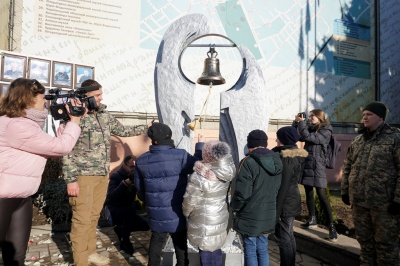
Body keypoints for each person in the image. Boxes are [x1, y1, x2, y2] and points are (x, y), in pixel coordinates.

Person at [62, 79, 149, 266]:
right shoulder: (74, 117)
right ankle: (80, 261)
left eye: (101, 94)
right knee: (81, 220)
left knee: (93, 217)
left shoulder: (104, 115)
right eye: (97, 95)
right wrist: (70, 179)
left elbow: (123, 130)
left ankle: (90, 253)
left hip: (102, 176)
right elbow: (66, 149)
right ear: (86, 96)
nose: (101, 98)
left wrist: (147, 128)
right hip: (82, 177)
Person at [0, 78, 82, 266]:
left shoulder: (25, 124)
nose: (46, 102)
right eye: (43, 98)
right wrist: (75, 121)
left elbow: (51, 149)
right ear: (30, 99)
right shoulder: (16, 125)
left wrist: (66, 122)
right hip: (3, 198)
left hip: (22, 197)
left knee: (15, 257)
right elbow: (61, 148)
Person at [134, 122, 204, 266]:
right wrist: (200, 146)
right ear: (169, 136)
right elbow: (198, 165)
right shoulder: (180, 156)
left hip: (155, 211)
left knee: (157, 240)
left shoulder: (141, 160)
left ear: (153, 140)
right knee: (180, 243)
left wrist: (150, 203)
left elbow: (139, 189)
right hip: (177, 210)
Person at [341, 101, 400, 265]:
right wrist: (345, 191)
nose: (364, 117)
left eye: (369, 114)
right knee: (365, 245)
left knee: (386, 247)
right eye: (363, 114)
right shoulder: (359, 140)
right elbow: (347, 166)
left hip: (384, 205)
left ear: (380, 118)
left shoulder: (395, 138)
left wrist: (398, 199)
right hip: (359, 202)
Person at [230, 129, 283, 266]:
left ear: (250, 144)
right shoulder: (277, 160)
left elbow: (242, 193)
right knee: (263, 247)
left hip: (250, 214)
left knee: (250, 249)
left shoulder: (247, 162)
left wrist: (234, 208)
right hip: (269, 212)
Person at [183, 140, 236, 266]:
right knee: (216, 247)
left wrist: (186, 212)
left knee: (205, 250)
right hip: (219, 216)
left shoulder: (199, 176)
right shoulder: (226, 171)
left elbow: (190, 200)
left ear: (207, 156)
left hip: (203, 219)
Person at [295, 109, 337, 241]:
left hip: (318, 165)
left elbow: (310, 138)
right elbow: (299, 136)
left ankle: (331, 226)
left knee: (321, 195)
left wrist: (302, 125)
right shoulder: (311, 128)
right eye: (310, 116)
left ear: (320, 117)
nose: (310, 118)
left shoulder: (326, 130)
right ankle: (312, 218)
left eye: (313, 116)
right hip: (307, 163)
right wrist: (296, 123)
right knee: (308, 192)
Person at [272, 126, 308, 266]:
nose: (276, 140)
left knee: (284, 238)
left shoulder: (287, 158)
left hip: (285, 202)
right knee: (288, 235)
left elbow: (284, 186)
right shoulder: (294, 154)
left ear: (284, 139)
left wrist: (277, 211)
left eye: (278, 137)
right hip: (291, 199)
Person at [105, 154, 149, 255]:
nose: (134, 169)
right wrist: (125, 183)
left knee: (146, 225)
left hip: (127, 211)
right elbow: (112, 196)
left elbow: (141, 195)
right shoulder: (116, 176)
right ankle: (125, 241)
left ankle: (121, 229)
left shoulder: (136, 177)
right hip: (113, 211)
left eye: (135, 167)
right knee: (130, 210)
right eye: (131, 167)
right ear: (124, 165)